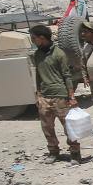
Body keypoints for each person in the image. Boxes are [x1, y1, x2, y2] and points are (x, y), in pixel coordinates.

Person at [30, 24, 81, 165]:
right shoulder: (37, 55)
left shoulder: (59, 54)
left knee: (68, 126)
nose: (32, 41)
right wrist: (38, 94)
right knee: (47, 127)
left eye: (33, 38)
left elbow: (67, 76)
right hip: (44, 96)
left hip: (60, 96)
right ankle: (53, 152)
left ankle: (75, 153)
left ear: (41, 38)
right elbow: (38, 75)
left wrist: (71, 96)